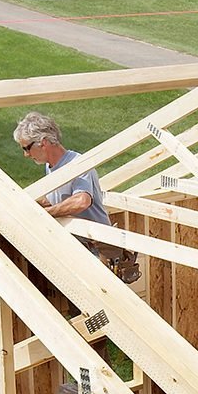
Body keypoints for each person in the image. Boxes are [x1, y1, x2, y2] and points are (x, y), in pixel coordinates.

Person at [13, 111, 138, 282]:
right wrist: (29, 202)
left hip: (97, 249)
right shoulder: (51, 167)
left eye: (26, 148)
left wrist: (46, 213)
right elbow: (57, 200)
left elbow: (82, 201)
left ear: (42, 143)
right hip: (77, 249)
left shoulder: (77, 164)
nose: (26, 154)